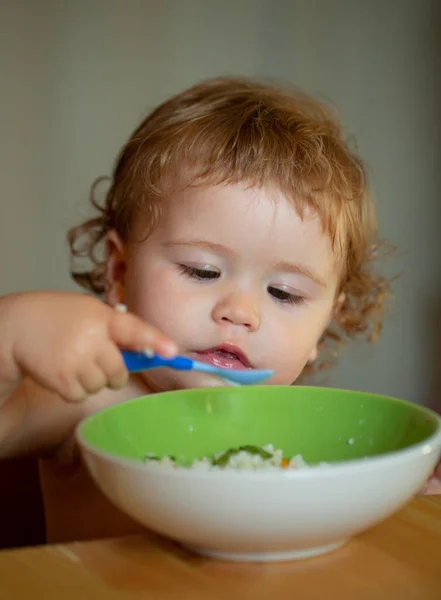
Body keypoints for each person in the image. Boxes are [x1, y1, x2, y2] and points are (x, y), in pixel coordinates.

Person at [0, 77, 437, 544]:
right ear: (120, 271)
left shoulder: (311, 434)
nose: (240, 311)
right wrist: (11, 330)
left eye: (284, 293)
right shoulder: (89, 395)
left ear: (326, 321)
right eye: (203, 271)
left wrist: (393, 513)